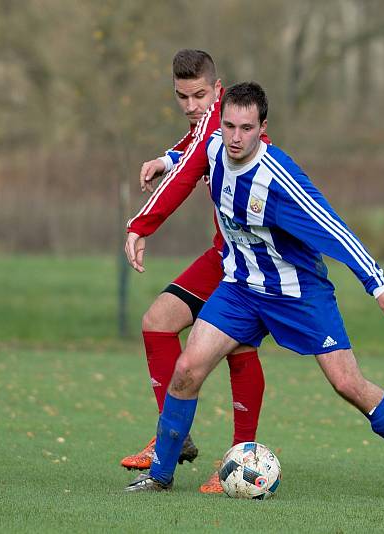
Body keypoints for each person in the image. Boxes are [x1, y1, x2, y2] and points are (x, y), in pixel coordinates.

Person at [124, 82, 384, 501]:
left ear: (263, 127)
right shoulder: (214, 150)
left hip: (299, 295)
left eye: (246, 128)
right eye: (228, 125)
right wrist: (156, 184)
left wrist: (380, 285)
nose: (235, 137)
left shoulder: (278, 178)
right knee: (187, 369)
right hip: (242, 290)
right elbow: (188, 156)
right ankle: (160, 474)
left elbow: (334, 228)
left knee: (347, 384)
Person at [122, 49, 267, 494]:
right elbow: (190, 147)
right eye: (182, 97)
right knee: (158, 323)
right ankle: (175, 433)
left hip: (253, 260)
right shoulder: (206, 123)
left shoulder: (224, 121)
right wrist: (165, 158)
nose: (191, 105)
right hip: (222, 254)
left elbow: (188, 173)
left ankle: (241, 457)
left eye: (199, 95)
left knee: (239, 348)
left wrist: (141, 224)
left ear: (217, 90)